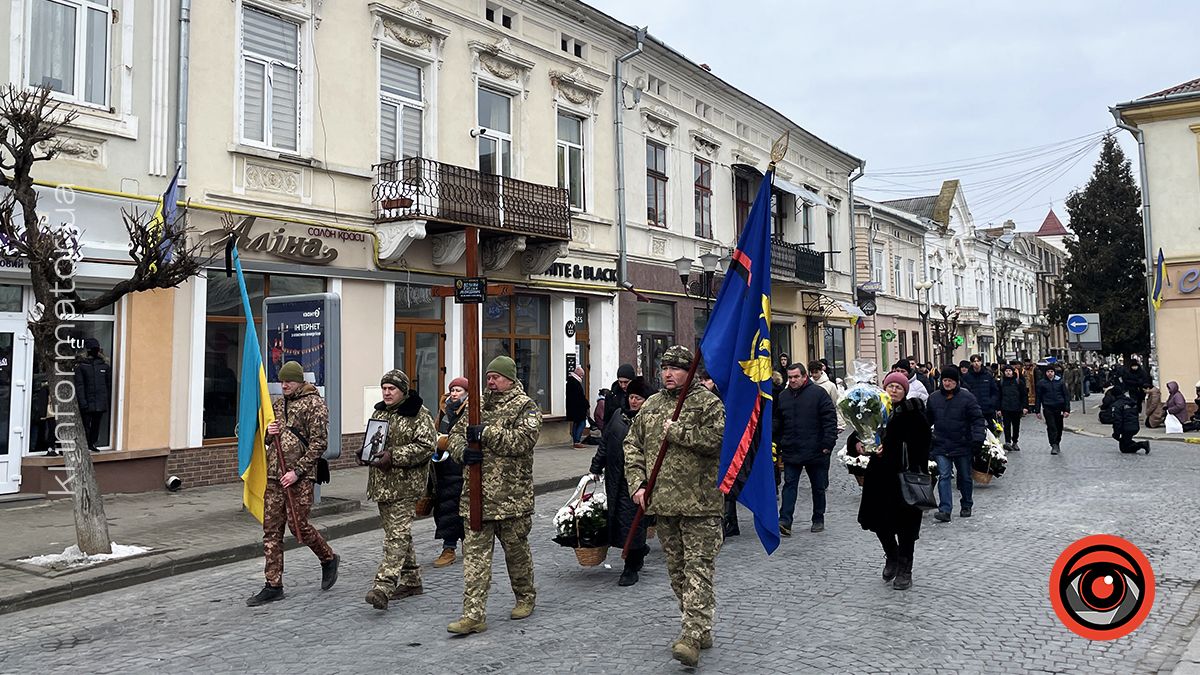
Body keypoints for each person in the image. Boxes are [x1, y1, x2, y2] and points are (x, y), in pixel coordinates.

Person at [625, 345, 725, 667]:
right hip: (664, 505)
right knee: (678, 573)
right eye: (664, 368)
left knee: (698, 570)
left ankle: (690, 637)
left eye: (676, 368)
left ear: (690, 372)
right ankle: (700, 624)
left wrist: (679, 431)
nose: (668, 374)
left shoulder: (708, 404)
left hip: (700, 504)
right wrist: (638, 484)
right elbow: (632, 446)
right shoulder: (652, 405)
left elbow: (720, 441)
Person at [446, 356, 542, 635]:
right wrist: (462, 452)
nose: (490, 381)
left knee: (516, 553)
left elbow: (522, 441)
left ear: (510, 379)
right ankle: (473, 615)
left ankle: (525, 596)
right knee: (475, 558)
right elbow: (454, 435)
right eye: (488, 377)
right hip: (475, 497)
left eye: (496, 377)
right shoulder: (477, 405)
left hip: (512, 498)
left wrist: (487, 433)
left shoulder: (525, 406)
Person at [246, 361, 339, 607]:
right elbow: (267, 438)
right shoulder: (278, 404)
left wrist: (297, 472)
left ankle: (328, 558)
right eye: (282, 381)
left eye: (289, 381)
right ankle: (273, 584)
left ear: (299, 381)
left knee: (299, 527)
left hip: (299, 478)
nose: (284, 385)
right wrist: (270, 431)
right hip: (275, 476)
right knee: (271, 530)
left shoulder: (314, 405)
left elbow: (319, 443)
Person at [364, 369, 437, 610]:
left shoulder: (418, 414)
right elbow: (376, 442)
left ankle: (383, 585)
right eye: (384, 388)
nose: (386, 392)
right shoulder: (379, 412)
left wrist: (393, 455)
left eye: (391, 388)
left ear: (403, 391)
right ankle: (412, 580)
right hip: (382, 485)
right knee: (399, 534)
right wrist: (365, 453)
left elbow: (427, 446)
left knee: (396, 536)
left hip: (406, 485)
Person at [853, 371, 931, 590]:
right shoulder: (874, 409)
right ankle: (892, 555)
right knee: (879, 523)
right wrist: (859, 444)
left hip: (904, 477)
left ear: (905, 391)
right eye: (890, 386)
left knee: (906, 528)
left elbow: (923, 444)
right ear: (884, 388)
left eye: (899, 387)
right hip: (879, 478)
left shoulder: (913, 414)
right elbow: (859, 433)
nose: (894, 390)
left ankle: (906, 568)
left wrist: (890, 449)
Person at [589, 376, 653, 585]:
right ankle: (638, 550)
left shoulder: (649, 418)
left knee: (632, 520)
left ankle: (631, 565)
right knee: (619, 519)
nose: (634, 401)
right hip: (615, 477)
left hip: (638, 480)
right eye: (632, 397)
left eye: (639, 398)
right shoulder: (618, 415)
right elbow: (605, 443)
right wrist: (596, 466)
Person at [774, 362, 838, 536]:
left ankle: (818, 517)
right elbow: (778, 421)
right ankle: (785, 520)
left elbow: (829, 420)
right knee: (789, 485)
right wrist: (777, 440)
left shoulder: (818, 394)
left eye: (796, 377)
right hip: (791, 449)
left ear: (804, 377)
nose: (793, 380)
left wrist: (827, 445)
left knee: (817, 487)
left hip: (816, 449)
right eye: (790, 377)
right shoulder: (783, 396)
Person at [927, 365, 985, 523]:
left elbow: (977, 420)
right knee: (944, 476)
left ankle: (966, 503)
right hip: (941, 444)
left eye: (950, 381)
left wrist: (978, 439)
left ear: (956, 382)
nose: (947, 383)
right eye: (944, 380)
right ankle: (945, 509)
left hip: (962, 443)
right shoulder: (934, 398)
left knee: (965, 477)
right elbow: (927, 420)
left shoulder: (967, 398)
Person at [431, 377, 468, 569]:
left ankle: (460, 544)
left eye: (459, 390)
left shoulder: (470, 410)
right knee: (444, 507)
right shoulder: (444, 410)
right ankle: (449, 546)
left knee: (460, 507)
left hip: (461, 465)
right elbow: (436, 430)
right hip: (443, 464)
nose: (454, 394)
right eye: (452, 390)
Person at [73, 337, 111, 452]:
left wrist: (105, 401)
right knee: (85, 425)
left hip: (99, 402)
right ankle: (84, 444)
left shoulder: (104, 366)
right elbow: (79, 386)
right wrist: (83, 402)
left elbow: (108, 385)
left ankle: (92, 443)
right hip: (87, 402)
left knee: (96, 425)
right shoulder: (82, 366)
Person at [1036, 364, 1071, 455]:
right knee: (1051, 426)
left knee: (1059, 426)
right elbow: (1038, 397)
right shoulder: (1041, 383)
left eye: (1051, 371)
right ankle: (1053, 444)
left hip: (1059, 407)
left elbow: (1066, 396)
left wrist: (1067, 409)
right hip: (1048, 407)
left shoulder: (1060, 382)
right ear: (1045, 373)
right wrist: (1037, 410)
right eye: (1048, 372)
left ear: (1054, 372)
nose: (1050, 373)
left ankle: (1057, 442)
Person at [1111, 385, 1150, 454]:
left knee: (1124, 449)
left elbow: (1117, 420)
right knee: (1125, 443)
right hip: (1134, 426)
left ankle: (1143, 444)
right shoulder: (1131, 401)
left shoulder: (1117, 405)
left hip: (1126, 428)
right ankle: (1140, 444)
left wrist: (1116, 433)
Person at [960, 355, 999, 424]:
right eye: (974, 361)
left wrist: (991, 402)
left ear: (981, 362)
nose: (976, 363)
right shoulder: (967, 377)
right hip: (973, 409)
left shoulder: (988, 375)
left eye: (978, 361)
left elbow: (994, 391)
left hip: (988, 409)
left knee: (992, 431)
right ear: (971, 363)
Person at [998, 364, 1027, 451]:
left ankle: (1015, 441)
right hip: (1005, 407)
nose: (1008, 373)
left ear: (1012, 372)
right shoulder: (1001, 383)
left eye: (1009, 371)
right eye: (1006, 371)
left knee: (1016, 426)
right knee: (1006, 426)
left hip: (1016, 407)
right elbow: (998, 396)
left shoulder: (1018, 382)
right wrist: (998, 408)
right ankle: (1007, 442)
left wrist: (1025, 407)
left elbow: (1024, 395)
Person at [809, 360, 845, 430]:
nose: (814, 375)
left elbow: (836, 404)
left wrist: (840, 423)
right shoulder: (808, 384)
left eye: (816, 372)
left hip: (827, 420)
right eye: (812, 372)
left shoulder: (830, 386)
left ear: (821, 371)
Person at [566, 366, 589, 448]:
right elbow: (580, 397)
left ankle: (575, 441)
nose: (582, 377)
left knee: (576, 424)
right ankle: (577, 441)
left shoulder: (570, 382)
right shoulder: (575, 383)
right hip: (578, 408)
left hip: (573, 407)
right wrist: (586, 404)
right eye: (582, 375)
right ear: (578, 374)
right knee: (582, 423)